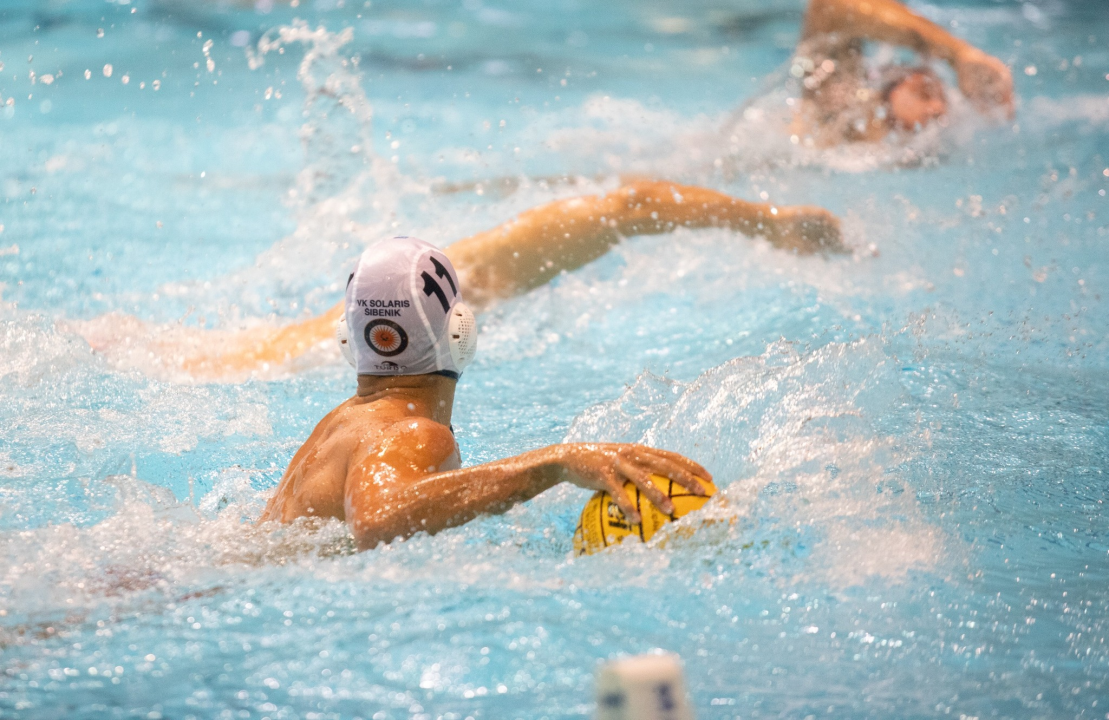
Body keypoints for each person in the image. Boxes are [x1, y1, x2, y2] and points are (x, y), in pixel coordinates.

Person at [81, 179, 841, 380]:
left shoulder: (349, 339)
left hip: (164, 355)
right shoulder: (468, 282)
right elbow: (630, 204)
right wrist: (769, 223)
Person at [256, 235, 727, 549]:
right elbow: (377, 519)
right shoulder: (414, 433)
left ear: (348, 338)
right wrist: (554, 463)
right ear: (460, 329)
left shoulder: (344, 422)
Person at [790, 0, 1013, 146]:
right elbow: (829, 7)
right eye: (923, 92)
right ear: (884, 94)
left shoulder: (939, 149)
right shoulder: (827, 122)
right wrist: (956, 53)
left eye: (942, 97)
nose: (935, 109)